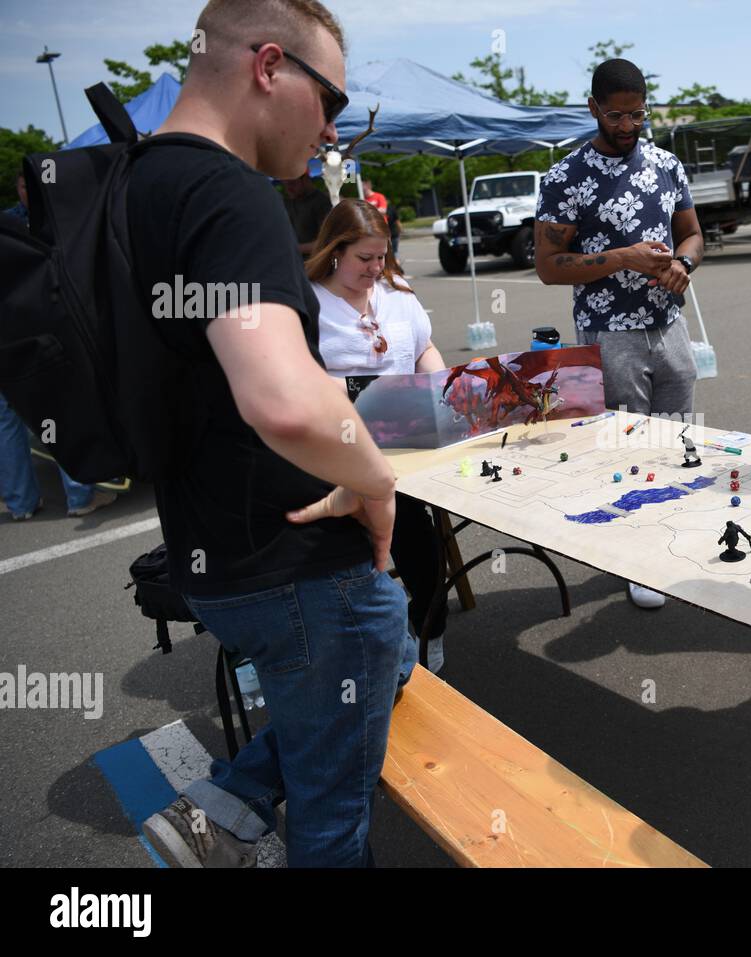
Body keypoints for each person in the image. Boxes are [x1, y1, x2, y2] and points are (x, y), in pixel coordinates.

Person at [134, 0, 416, 868]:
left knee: (388, 659)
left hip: (210, 553)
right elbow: (285, 401)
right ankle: (234, 801)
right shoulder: (231, 192)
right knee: (336, 822)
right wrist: (376, 482)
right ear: (267, 67)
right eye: (329, 97)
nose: (333, 127)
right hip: (300, 567)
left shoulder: (134, 183)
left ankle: (231, 799)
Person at [534, 57, 704, 610]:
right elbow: (549, 265)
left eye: (638, 114)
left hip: (669, 324)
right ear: (593, 109)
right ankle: (636, 557)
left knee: (677, 438)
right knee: (628, 446)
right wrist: (621, 258)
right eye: (617, 115)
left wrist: (685, 263)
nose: (629, 125)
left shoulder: (666, 164)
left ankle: (671, 539)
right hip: (609, 332)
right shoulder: (565, 178)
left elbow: (693, 234)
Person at [306, 198, 448, 670]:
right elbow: (295, 381)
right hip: (337, 448)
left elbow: (424, 346)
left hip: (405, 442)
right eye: (364, 259)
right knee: (359, 532)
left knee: (415, 530)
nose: (375, 268)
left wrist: (442, 388)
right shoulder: (308, 303)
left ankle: (431, 627)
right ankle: (364, 631)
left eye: (381, 256)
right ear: (333, 252)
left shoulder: (398, 292)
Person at [2, 172, 116, 520]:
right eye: (25, 185)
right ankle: (78, 496)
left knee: (11, 417)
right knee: (59, 405)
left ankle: (22, 502)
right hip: (40, 327)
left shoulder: (9, 224)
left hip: (13, 330)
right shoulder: (56, 217)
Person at [280, 171, 332, 258]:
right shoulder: (288, 203)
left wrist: (295, 248)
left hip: (314, 263)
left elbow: (326, 242)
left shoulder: (321, 202)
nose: (288, 188)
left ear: (306, 179)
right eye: (285, 184)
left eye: (291, 183)